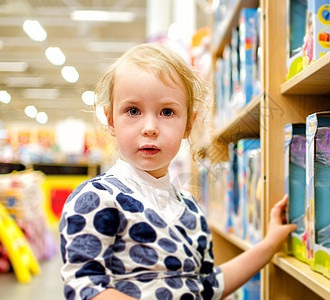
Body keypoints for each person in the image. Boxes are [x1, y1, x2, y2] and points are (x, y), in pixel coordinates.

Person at [59, 43, 296, 300]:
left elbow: (207, 286)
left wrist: (270, 243)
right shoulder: (96, 198)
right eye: (133, 111)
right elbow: (85, 286)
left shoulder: (191, 208)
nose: (150, 127)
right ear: (111, 120)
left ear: (188, 125)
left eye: (167, 112)